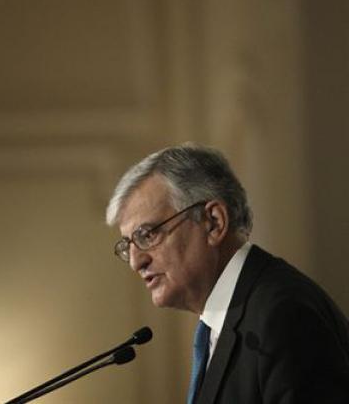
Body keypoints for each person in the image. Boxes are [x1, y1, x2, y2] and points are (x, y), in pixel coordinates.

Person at [106, 143, 349, 403]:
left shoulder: (282, 315)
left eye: (147, 235)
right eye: (128, 245)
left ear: (213, 223)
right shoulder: (231, 319)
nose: (136, 262)